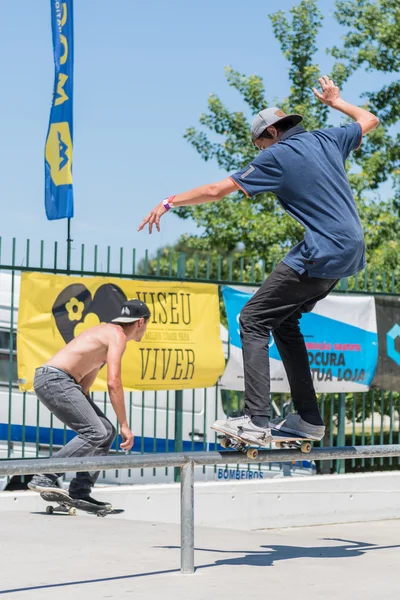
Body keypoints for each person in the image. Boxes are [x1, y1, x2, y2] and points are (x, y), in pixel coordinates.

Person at [137, 76, 379, 447]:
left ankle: (256, 419)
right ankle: (308, 420)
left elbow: (216, 190)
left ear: (269, 134)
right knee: (283, 321)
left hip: (323, 250)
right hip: (351, 251)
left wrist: (169, 202)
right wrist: (336, 101)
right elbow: (370, 119)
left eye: (258, 144)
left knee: (251, 319)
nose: (259, 151)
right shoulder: (327, 138)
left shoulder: (276, 156)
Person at [28, 299, 151, 506]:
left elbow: (85, 382)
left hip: (59, 381)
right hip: (55, 379)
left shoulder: (105, 333)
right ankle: (45, 475)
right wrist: (124, 425)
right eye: (147, 325)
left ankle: (80, 489)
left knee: (104, 431)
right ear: (140, 322)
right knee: (96, 432)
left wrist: (87, 406)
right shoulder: (117, 337)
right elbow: (114, 383)